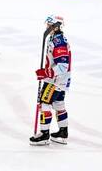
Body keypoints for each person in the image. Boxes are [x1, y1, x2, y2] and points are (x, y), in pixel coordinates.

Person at [30, 15, 72, 146]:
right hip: (60, 81)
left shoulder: (59, 43)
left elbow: (63, 66)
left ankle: (44, 134)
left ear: (56, 26)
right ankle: (63, 133)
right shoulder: (56, 39)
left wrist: (46, 73)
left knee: (44, 104)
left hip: (55, 81)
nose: (47, 27)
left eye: (49, 25)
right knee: (59, 104)